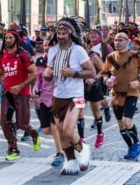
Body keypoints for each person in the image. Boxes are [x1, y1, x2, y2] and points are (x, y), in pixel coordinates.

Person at [44, 17, 96, 175]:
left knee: (68, 129)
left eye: (64, 33)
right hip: (58, 95)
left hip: (75, 95)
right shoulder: (52, 50)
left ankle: (83, 148)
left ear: (71, 34)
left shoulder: (78, 50)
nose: (60, 36)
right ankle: (71, 161)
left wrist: (74, 73)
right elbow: (49, 74)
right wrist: (47, 74)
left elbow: (92, 72)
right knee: (60, 131)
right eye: (58, 33)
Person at [0, 29, 41, 161]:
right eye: (6, 38)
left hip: (22, 94)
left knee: (22, 124)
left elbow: (34, 73)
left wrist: (20, 87)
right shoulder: (4, 55)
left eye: (10, 38)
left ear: (16, 40)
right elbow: (1, 74)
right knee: (4, 122)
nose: (7, 40)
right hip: (7, 94)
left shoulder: (23, 54)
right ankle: (13, 149)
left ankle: (34, 135)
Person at [101, 32, 140, 159]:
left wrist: (138, 82)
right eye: (116, 40)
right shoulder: (110, 57)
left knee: (127, 121)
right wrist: (107, 81)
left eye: (120, 40)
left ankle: (137, 142)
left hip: (131, 93)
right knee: (121, 125)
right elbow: (105, 73)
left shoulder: (135, 55)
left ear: (127, 41)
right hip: (116, 95)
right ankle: (131, 147)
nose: (117, 42)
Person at [33, 38, 65, 167]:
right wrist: (35, 87)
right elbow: (38, 79)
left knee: (54, 125)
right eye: (45, 45)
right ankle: (67, 138)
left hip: (57, 98)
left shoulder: (61, 60)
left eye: (49, 45)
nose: (46, 47)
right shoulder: (40, 61)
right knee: (46, 130)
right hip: (44, 98)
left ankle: (60, 153)